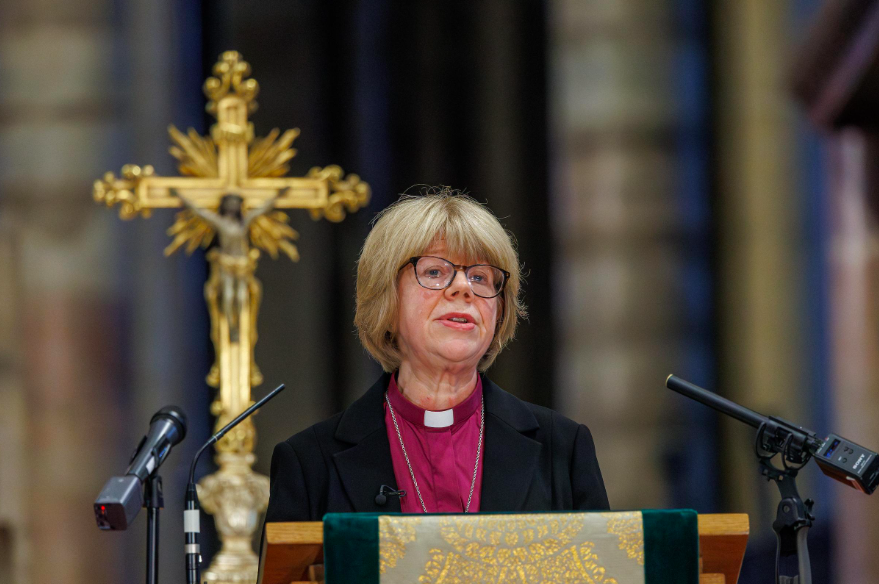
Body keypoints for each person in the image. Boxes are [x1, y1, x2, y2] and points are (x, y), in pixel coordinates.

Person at [264, 189, 608, 520]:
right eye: (434, 272)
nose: (463, 287)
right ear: (387, 299)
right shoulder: (310, 463)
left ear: (499, 311)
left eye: (480, 277)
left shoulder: (562, 449)